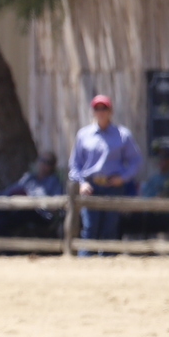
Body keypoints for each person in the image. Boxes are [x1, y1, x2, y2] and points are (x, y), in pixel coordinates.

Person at [69, 93, 143, 246]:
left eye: (104, 108)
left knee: (110, 229)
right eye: (97, 108)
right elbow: (74, 164)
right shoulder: (83, 135)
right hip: (90, 186)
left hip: (112, 186)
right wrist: (82, 183)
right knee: (90, 227)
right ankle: (86, 259)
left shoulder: (122, 134)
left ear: (110, 111)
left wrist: (122, 178)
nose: (101, 112)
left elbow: (135, 160)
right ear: (92, 111)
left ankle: (108, 259)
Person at [0, 151, 63, 238]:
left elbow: (56, 203)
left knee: (21, 213)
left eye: (48, 163)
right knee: (1, 219)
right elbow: (10, 191)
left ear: (52, 166)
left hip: (40, 213)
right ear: (37, 161)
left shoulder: (54, 182)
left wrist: (31, 197)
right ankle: (5, 245)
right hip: (20, 208)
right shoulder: (29, 178)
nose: (44, 165)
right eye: (42, 160)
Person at [124, 145, 169, 239]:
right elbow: (143, 195)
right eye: (159, 157)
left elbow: (168, 198)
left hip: (161, 214)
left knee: (139, 217)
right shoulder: (155, 176)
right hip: (145, 209)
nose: (161, 160)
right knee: (122, 217)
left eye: (164, 157)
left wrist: (153, 202)